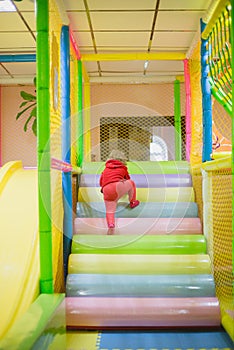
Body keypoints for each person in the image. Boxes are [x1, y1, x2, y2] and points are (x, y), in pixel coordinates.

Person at [100, 150, 140, 229]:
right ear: (123, 159)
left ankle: (111, 224)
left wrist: (104, 189)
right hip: (117, 186)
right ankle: (133, 201)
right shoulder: (123, 168)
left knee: (110, 210)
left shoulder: (105, 169)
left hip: (106, 189)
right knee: (131, 183)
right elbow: (127, 178)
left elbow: (101, 181)